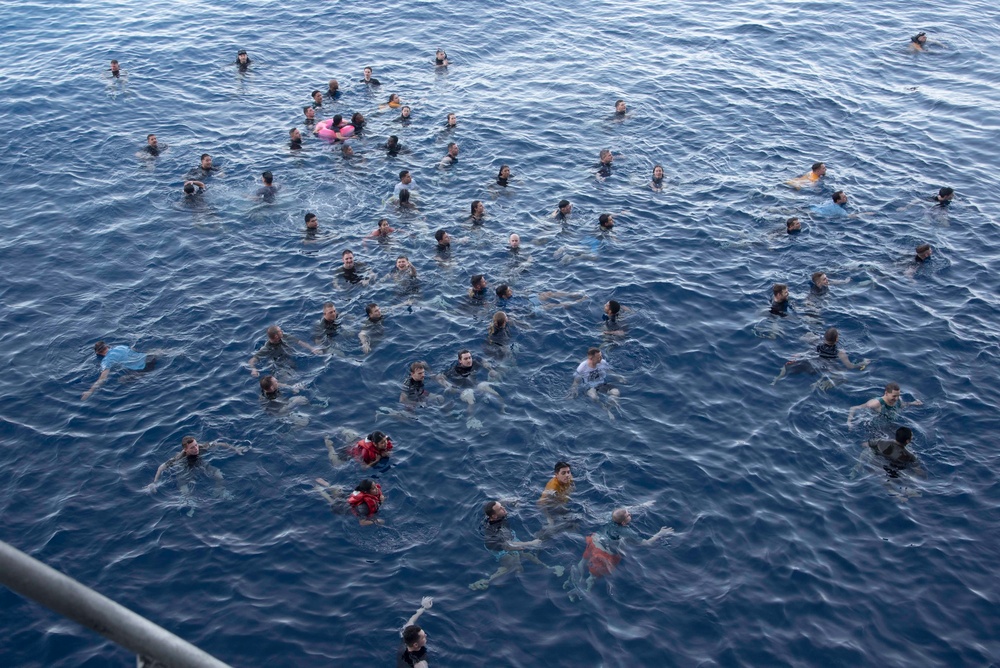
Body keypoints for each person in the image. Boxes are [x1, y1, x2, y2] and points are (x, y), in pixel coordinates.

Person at [568, 508, 673, 598]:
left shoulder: (608, 519)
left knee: (583, 562)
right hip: (605, 553)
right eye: (628, 514)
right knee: (593, 576)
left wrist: (644, 506)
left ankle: (574, 580)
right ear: (623, 523)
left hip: (594, 542)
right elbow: (646, 544)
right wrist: (660, 533)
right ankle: (584, 591)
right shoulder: (627, 531)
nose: (630, 514)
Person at [469, 501, 563, 590]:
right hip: (499, 548)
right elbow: (509, 544)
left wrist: (513, 502)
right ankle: (487, 581)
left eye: (502, 506)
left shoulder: (493, 515)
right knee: (517, 567)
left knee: (526, 554)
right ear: (494, 515)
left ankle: (549, 567)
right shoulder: (498, 529)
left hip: (508, 539)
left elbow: (502, 502)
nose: (504, 507)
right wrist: (530, 543)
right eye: (501, 508)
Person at [144, 436, 248, 498]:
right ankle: (188, 503)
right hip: (185, 467)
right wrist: (154, 482)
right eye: (192, 447)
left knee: (219, 475)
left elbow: (219, 444)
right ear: (186, 450)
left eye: (196, 445)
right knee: (185, 490)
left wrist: (235, 448)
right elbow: (161, 467)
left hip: (199, 462)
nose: (196, 449)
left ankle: (220, 491)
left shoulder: (201, 447)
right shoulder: (179, 457)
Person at [772, 327, 870, 385]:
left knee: (788, 364)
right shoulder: (840, 352)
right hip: (824, 368)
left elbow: (802, 338)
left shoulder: (816, 342)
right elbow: (850, 366)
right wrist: (863, 362)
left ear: (824, 337)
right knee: (843, 377)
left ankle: (776, 380)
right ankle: (821, 384)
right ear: (836, 339)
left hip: (808, 361)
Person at [82, 341, 157, 400]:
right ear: (107, 346)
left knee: (121, 379)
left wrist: (89, 391)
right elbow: (133, 350)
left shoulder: (106, 360)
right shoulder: (120, 347)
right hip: (149, 358)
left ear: (97, 353)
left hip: (144, 369)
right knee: (153, 352)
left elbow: (102, 378)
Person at [248, 325, 320, 377]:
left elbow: (300, 342)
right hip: (278, 364)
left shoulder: (284, 336)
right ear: (276, 336)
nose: (282, 332)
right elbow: (252, 360)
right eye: (280, 331)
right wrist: (253, 369)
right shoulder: (267, 348)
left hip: (289, 358)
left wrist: (312, 348)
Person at [569, 347, 622, 414]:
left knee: (616, 392)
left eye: (601, 356)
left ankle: (609, 407)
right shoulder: (582, 368)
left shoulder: (602, 362)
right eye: (598, 357)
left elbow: (609, 371)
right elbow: (576, 381)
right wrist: (574, 390)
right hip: (590, 387)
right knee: (593, 397)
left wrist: (619, 377)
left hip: (602, 384)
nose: (601, 359)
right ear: (591, 358)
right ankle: (603, 408)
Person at [848, 382, 923, 428]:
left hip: (890, 424)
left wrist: (912, 403)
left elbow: (901, 405)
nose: (896, 398)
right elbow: (854, 408)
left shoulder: (898, 399)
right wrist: (849, 422)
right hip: (877, 428)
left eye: (898, 395)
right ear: (886, 393)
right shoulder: (875, 403)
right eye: (894, 396)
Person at [494, 284, 586, 313]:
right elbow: (520, 310)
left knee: (548, 293)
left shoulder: (510, 296)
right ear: (503, 296)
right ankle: (577, 302)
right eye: (509, 291)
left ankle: (571, 295)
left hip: (528, 300)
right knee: (551, 305)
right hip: (531, 308)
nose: (512, 291)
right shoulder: (507, 304)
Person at [398, 597, 434, 668]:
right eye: (423, 637)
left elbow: (411, 620)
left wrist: (424, 608)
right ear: (416, 645)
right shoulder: (420, 663)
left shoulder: (406, 635)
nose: (426, 635)